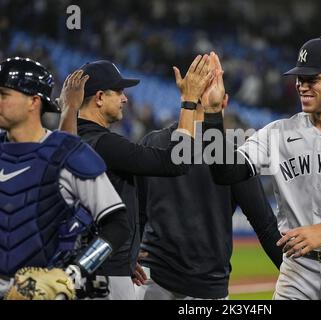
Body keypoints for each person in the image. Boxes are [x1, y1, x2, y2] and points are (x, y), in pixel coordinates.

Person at [203, 37, 321, 300]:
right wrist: (213, 114)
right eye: (299, 79)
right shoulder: (277, 133)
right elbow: (225, 173)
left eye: (312, 79)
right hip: (299, 270)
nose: (302, 86)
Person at [59, 56, 213, 299]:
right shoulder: (105, 144)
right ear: (99, 98)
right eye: (118, 91)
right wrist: (188, 102)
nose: (125, 98)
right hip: (105, 278)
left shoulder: (73, 140)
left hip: (87, 269)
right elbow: (177, 162)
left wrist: (126, 257)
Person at [134, 52, 282, 300]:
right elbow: (265, 226)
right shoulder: (234, 156)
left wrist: (129, 257)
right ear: (224, 101)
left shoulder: (152, 142)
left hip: (151, 280)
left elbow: (135, 213)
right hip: (207, 287)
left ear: (184, 92)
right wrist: (298, 278)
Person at [0, 57, 129, 298]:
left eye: (4, 94)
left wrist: (75, 273)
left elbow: (118, 225)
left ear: (33, 102)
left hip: (46, 292)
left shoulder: (68, 153)